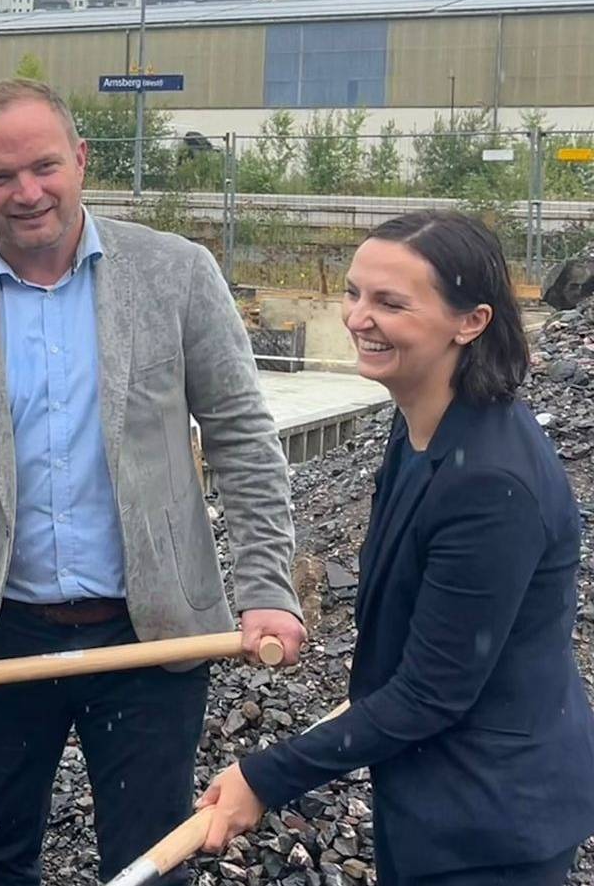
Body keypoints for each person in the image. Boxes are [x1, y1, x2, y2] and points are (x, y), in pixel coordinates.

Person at [0, 78, 304, 886]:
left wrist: (267, 585)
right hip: (0, 638)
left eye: (44, 166)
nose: (27, 193)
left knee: (150, 861)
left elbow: (243, 440)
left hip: (151, 632)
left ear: (81, 160)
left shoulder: (176, 275)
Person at [198, 211, 594, 885]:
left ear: (470, 321)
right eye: (354, 292)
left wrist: (264, 777)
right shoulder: (421, 423)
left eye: (390, 302)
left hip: (492, 817)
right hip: (434, 789)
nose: (357, 317)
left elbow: (433, 690)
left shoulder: (490, 481)